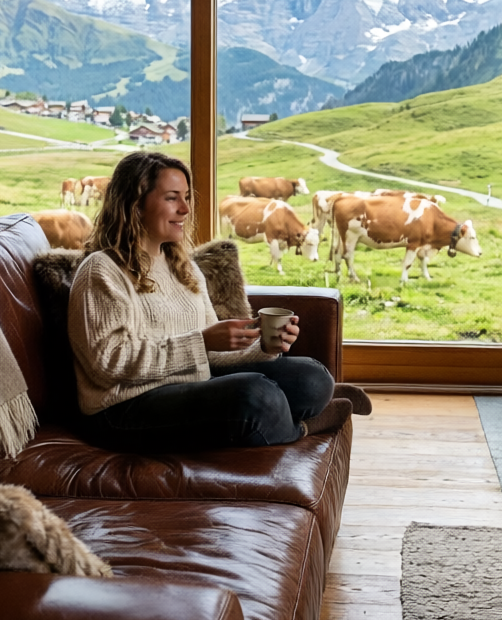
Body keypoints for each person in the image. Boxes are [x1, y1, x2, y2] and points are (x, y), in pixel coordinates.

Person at [67, 150, 371, 452]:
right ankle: (303, 426)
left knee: (313, 376)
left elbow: (211, 353)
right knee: (255, 394)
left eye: (187, 197)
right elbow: (108, 363)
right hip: (123, 410)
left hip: (188, 381)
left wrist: (263, 346)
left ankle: (292, 407)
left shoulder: (180, 266)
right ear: (135, 205)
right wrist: (201, 342)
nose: (186, 209)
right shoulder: (101, 270)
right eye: (172, 198)